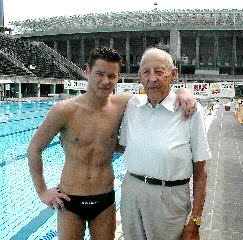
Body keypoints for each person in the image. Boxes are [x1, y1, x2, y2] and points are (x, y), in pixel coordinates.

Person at [27, 47, 196, 240]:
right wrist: (42, 191)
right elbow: (34, 148)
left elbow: (157, 90)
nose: (105, 81)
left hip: (105, 199)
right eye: (99, 74)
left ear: (118, 76)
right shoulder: (64, 110)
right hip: (70, 199)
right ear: (87, 71)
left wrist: (182, 92)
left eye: (111, 76)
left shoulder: (124, 103)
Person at [119, 47, 212, 240]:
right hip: (131, 191)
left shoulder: (190, 110)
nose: (152, 78)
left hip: (169, 197)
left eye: (159, 71)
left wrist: (195, 221)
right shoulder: (133, 105)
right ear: (139, 77)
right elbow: (124, 145)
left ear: (173, 74)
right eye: (146, 72)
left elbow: (200, 169)